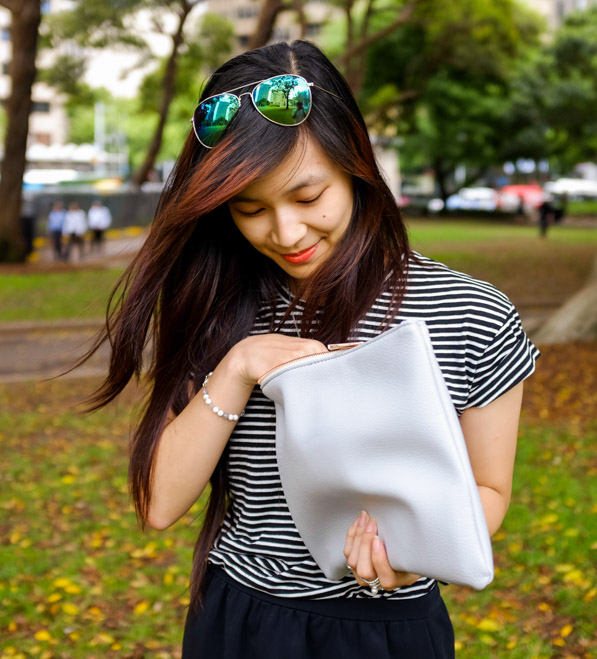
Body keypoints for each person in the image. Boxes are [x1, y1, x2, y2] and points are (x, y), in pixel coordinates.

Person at [82, 41, 539, 658]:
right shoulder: (219, 302)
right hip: (237, 623)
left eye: (307, 197)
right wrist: (239, 366)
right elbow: (161, 501)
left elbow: (490, 491)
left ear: (355, 163)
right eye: (250, 209)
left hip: (388, 632)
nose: (286, 233)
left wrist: (411, 556)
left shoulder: (469, 312)